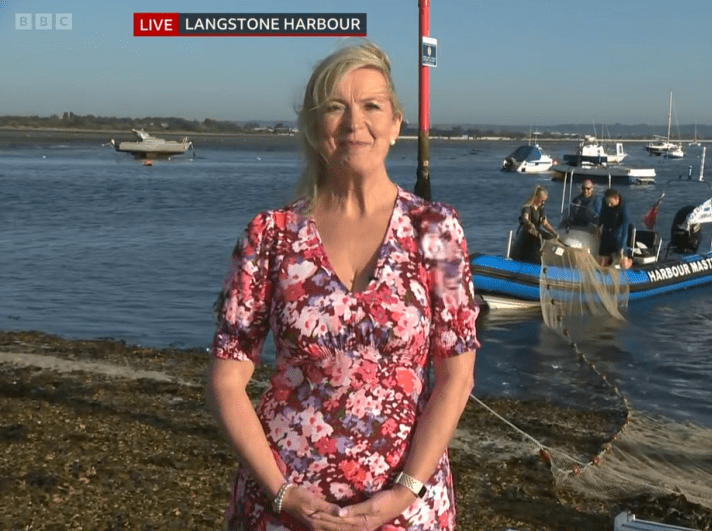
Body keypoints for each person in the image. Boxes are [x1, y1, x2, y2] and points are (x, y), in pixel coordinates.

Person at [206, 42, 480, 531]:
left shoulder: (437, 231)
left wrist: (405, 492)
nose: (355, 123)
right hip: (281, 506)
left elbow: (456, 378)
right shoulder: (269, 235)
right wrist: (282, 495)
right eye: (335, 107)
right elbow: (227, 381)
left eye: (371, 105)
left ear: (396, 124)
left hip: (408, 507)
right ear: (313, 129)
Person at [510, 185, 557, 263]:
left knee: (550, 238)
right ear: (536, 198)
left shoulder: (541, 208)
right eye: (541, 200)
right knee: (535, 240)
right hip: (527, 231)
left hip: (537, 231)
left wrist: (553, 233)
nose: (543, 203)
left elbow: (544, 223)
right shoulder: (527, 207)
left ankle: (548, 261)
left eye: (544, 201)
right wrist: (528, 222)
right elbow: (525, 218)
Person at [597, 188, 632, 268]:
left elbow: (625, 230)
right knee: (602, 261)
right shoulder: (605, 202)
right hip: (606, 236)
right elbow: (602, 216)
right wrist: (598, 226)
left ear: (616, 199)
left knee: (623, 262)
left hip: (618, 237)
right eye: (607, 203)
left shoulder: (624, 207)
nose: (609, 205)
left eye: (611, 203)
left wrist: (622, 247)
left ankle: (630, 261)